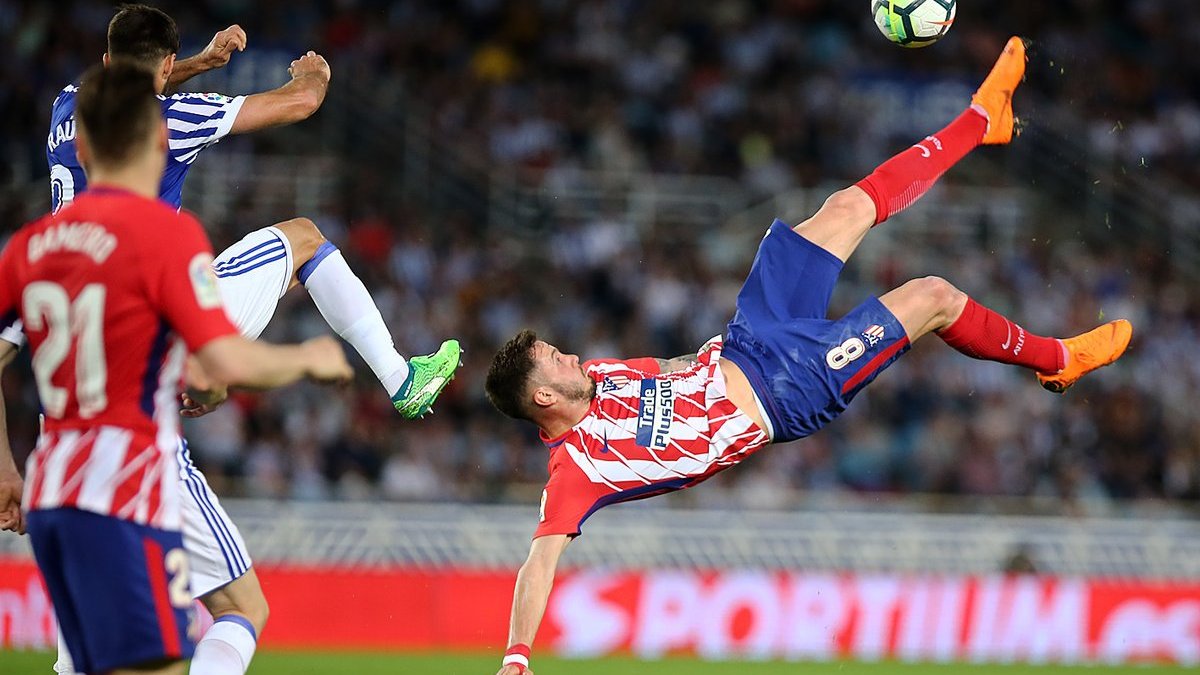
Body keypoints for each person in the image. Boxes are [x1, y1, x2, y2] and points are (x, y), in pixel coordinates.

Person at [481, 37, 1132, 675]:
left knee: (846, 205)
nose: (571, 355)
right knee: (932, 295)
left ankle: (982, 121)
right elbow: (539, 563)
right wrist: (517, 656)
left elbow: (672, 371)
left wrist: (706, 358)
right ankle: (1056, 359)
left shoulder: (599, 376)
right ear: (543, 397)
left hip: (749, 335)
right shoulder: (578, 471)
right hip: (785, 390)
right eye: (556, 358)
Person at [22, 5, 457, 674]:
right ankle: (400, 378)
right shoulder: (172, 122)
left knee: (85, 647)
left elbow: (136, 77)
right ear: (165, 68)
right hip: (157, 330)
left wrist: (200, 62)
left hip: (75, 390)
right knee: (304, 238)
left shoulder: (66, 106)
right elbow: (299, 104)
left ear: (106, 63)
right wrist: (314, 75)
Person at [1, 62, 352, 675]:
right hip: (131, 479)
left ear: (80, 148)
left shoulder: (29, 248)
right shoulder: (165, 235)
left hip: (53, 484)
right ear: (157, 141)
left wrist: (5, 466)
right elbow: (219, 360)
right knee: (224, 619)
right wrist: (307, 358)